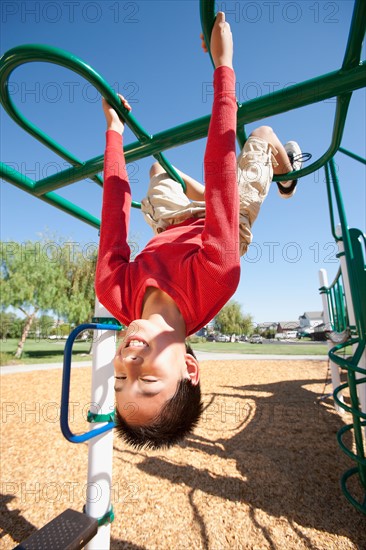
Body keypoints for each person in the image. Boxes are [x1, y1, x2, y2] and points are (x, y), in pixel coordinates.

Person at [96, 12, 306, 449]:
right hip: (225, 223)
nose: (129, 360)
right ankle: (285, 178)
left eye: (119, 377)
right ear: (189, 368)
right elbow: (221, 163)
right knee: (263, 136)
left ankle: (199, 192)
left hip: (173, 226)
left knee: (157, 168)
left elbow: (114, 212)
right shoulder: (218, 279)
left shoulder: (112, 293)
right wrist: (224, 65)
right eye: (148, 378)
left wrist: (114, 131)